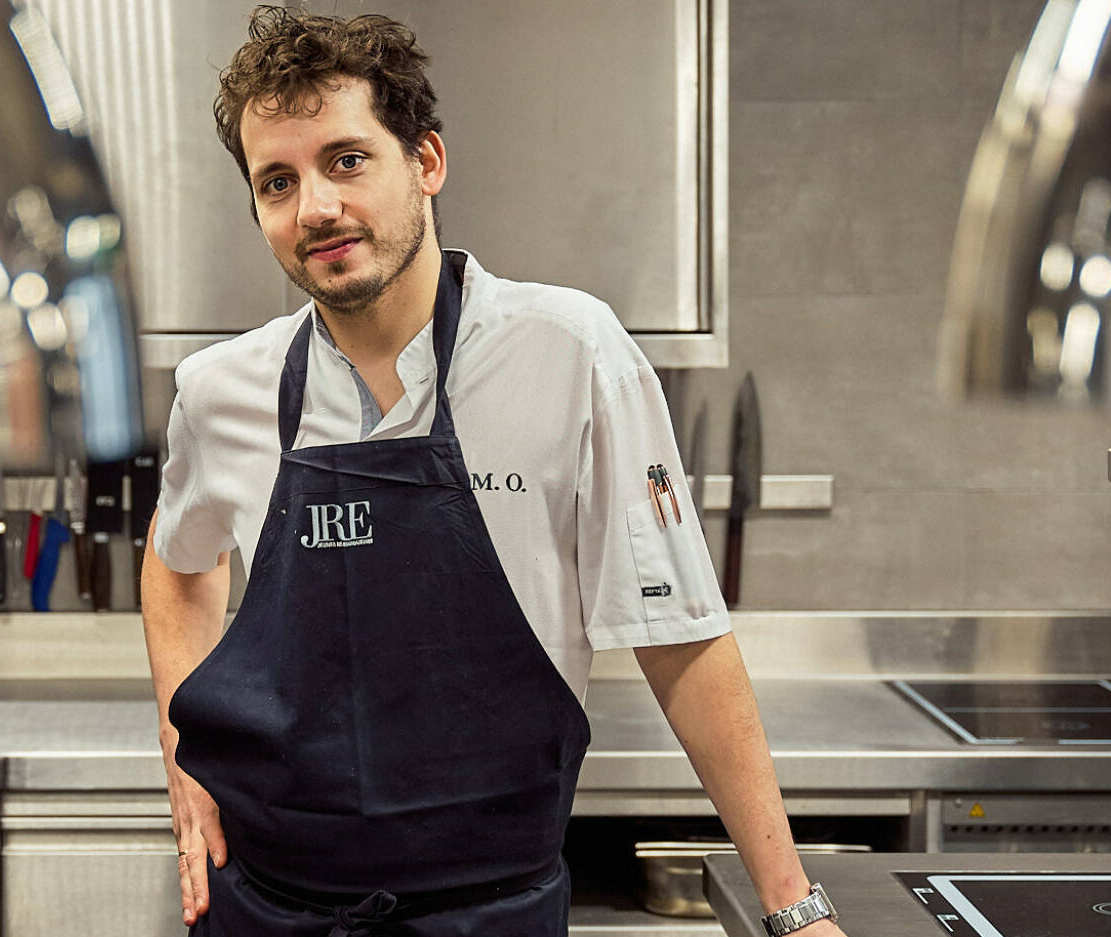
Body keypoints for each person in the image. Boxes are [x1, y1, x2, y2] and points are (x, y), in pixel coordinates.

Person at [141, 7, 847, 936]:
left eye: (346, 160)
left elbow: (681, 637)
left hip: (490, 910)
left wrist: (794, 907)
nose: (315, 207)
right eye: (279, 181)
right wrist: (182, 760)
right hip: (265, 906)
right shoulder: (219, 388)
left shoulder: (571, 353)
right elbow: (175, 563)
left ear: (426, 163)